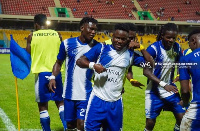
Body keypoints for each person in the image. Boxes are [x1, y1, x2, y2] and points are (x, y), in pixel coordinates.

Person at [76, 23, 153, 130]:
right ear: (112, 37)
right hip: (97, 100)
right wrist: (93, 66)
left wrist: (141, 48)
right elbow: (80, 61)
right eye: (117, 38)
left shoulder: (130, 55)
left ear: (128, 40)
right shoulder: (101, 48)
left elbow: (150, 64)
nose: (119, 41)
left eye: (123, 39)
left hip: (116, 102)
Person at [48, 17, 99, 131]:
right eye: (90, 29)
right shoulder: (67, 44)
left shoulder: (97, 47)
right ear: (82, 28)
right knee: (70, 126)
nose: (93, 32)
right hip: (69, 93)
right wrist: (52, 77)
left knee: (82, 124)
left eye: (95, 30)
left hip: (86, 93)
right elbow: (58, 62)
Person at [26, 14, 67, 130]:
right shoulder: (57, 34)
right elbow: (62, 52)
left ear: (36, 24)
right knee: (60, 102)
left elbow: (27, 54)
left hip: (41, 74)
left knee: (43, 105)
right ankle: (67, 127)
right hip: (56, 72)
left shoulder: (32, 36)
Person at [143, 23, 185, 131]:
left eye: (174, 38)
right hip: (154, 91)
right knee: (150, 123)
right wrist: (163, 84)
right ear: (162, 36)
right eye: (168, 37)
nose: (171, 40)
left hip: (170, 89)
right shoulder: (153, 49)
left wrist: (180, 73)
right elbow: (146, 72)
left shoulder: (177, 47)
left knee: (182, 118)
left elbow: (181, 62)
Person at [179, 29, 200, 131]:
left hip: (197, 110)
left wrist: (185, 102)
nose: (189, 46)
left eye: (189, 43)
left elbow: (185, 90)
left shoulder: (186, 59)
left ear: (193, 40)